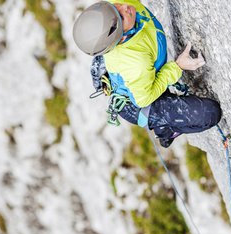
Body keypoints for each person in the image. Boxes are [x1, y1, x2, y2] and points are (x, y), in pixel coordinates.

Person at [73, 0, 221, 147]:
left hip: (139, 80)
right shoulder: (135, 63)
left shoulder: (121, 11)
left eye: (115, 6)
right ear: (121, 38)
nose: (125, 7)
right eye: (121, 16)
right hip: (138, 102)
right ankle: (166, 130)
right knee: (210, 113)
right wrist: (178, 66)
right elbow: (143, 100)